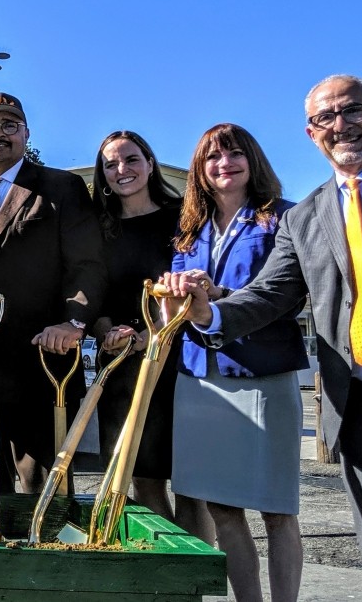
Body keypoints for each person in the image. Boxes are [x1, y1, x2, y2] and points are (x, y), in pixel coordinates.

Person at [164, 75, 362, 601]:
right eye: (326, 117)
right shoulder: (305, 217)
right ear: (311, 133)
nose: (341, 125)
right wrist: (207, 312)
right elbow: (269, 295)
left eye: (354, 110)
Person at [0, 92, 106, 493]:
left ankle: (46, 556)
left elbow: (87, 265)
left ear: (26, 134)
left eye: (10, 126)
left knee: (43, 489)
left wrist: (74, 320)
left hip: (42, 361)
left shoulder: (61, 188)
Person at [165, 124, 306, 602]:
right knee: (223, 509)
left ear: (254, 161)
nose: (224, 164)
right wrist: (174, 298)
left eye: (234, 154)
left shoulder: (284, 220)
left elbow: (281, 294)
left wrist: (219, 295)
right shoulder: (189, 234)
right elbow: (181, 317)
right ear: (199, 171)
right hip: (200, 383)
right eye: (212, 158)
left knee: (278, 510)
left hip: (262, 376)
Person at [89, 131, 209, 538]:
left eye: (131, 160)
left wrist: (151, 333)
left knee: (191, 485)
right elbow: (94, 294)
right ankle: (168, 566)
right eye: (110, 164)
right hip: (123, 365)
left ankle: (194, 575)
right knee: (140, 477)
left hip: (179, 361)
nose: (122, 170)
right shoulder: (99, 228)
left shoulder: (183, 218)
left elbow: (192, 286)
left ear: (150, 163)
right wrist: (107, 330)